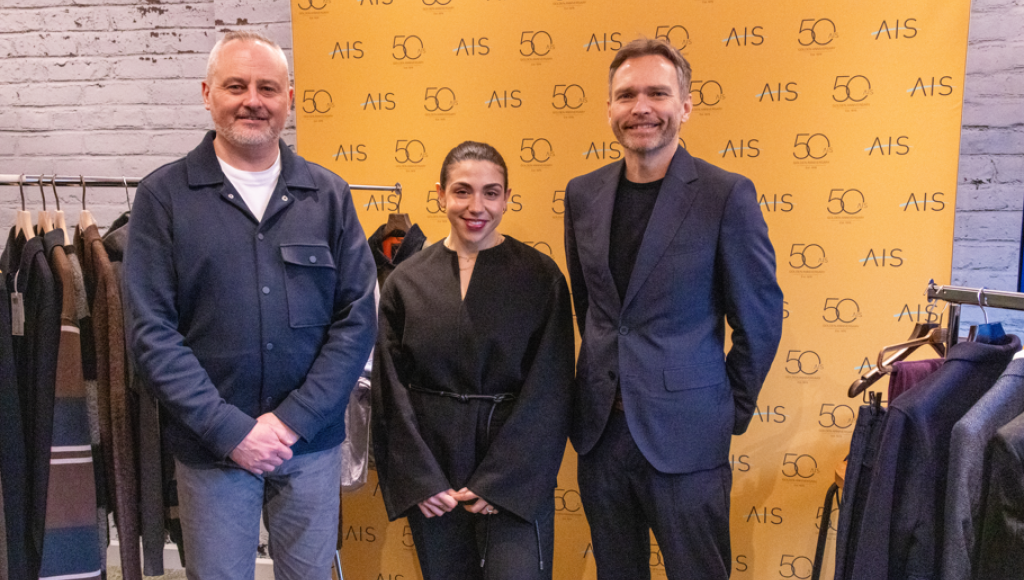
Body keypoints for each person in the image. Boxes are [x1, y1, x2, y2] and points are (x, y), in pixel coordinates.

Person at [124, 31, 376, 580]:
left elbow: (357, 319)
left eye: (267, 87)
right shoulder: (163, 198)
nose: (252, 100)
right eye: (235, 86)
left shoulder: (328, 195)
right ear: (206, 93)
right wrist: (231, 431)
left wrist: (291, 422)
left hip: (309, 445)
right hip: (212, 448)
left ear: (290, 97)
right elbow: (151, 332)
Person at [563, 38, 784, 580]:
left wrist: (724, 409)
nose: (641, 107)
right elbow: (589, 304)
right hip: (600, 437)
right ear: (609, 109)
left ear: (685, 106)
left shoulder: (725, 194)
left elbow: (759, 317)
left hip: (688, 439)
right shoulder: (582, 194)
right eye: (626, 95)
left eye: (657, 93)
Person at [372, 141, 574, 580]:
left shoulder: (541, 277)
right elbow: (391, 389)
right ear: (441, 195)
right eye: (462, 191)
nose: (476, 206)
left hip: (514, 471)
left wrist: (502, 483)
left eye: (491, 192)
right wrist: (421, 479)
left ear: (506, 198)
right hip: (434, 469)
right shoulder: (405, 281)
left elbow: (551, 389)